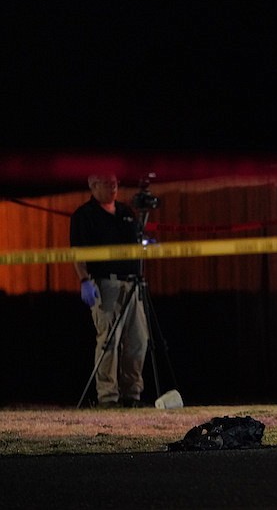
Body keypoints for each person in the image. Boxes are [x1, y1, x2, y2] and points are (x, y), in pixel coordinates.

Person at [70, 174, 149, 408]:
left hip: (132, 284)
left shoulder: (126, 212)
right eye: (107, 181)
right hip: (105, 285)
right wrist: (85, 280)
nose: (113, 185)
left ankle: (131, 395)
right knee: (108, 341)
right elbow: (78, 253)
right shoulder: (84, 215)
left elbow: (136, 241)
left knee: (138, 340)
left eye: (115, 181)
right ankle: (108, 397)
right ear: (93, 185)